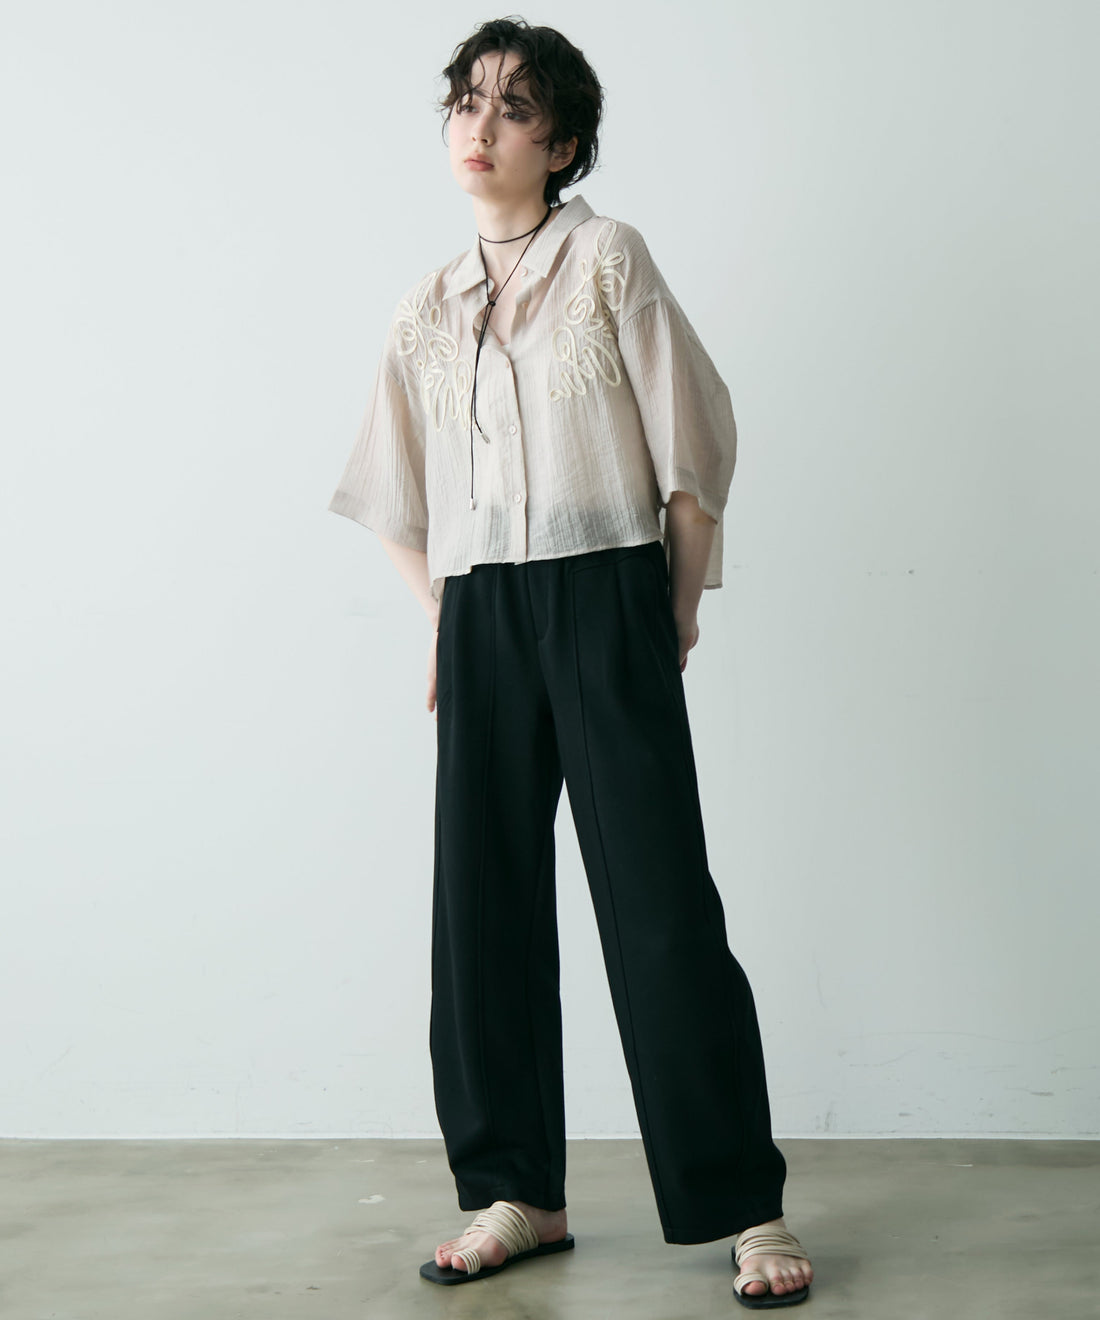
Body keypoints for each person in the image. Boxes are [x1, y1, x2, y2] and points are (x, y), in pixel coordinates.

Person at [327, 17, 815, 1310]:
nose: (479, 126)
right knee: (481, 903)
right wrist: (446, 619)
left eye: (513, 107)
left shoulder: (608, 259)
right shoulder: (427, 305)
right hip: (484, 610)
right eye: (465, 102)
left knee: (659, 902)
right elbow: (391, 492)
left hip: (607, 591)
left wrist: (675, 607)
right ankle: (515, 1193)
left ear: (564, 144)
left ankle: (745, 1206)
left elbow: (693, 441)